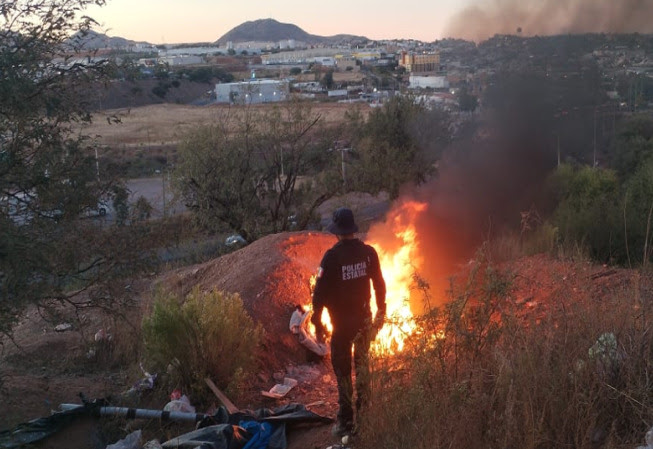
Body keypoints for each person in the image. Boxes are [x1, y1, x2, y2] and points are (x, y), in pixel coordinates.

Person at [311, 207, 386, 437]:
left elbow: (319, 295)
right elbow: (380, 285)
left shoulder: (331, 257)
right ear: (352, 229)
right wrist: (380, 313)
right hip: (363, 323)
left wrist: (317, 323)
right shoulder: (369, 253)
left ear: (337, 231)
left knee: (343, 374)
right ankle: (365, 417)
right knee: (362, 369)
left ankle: (346, 422)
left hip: (342, 327)